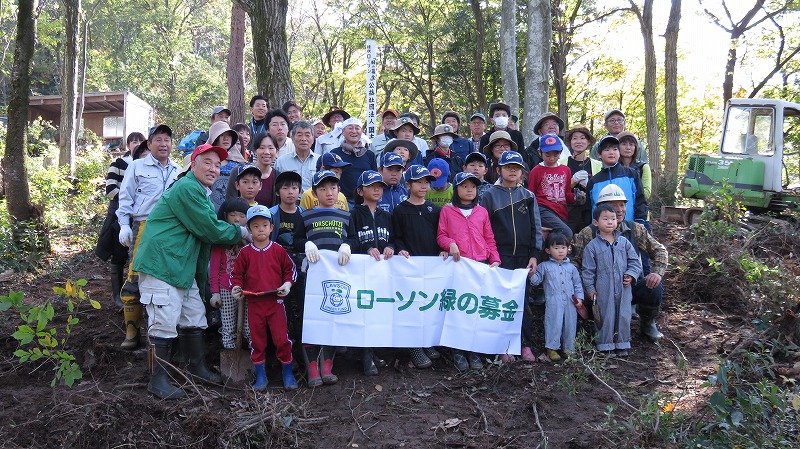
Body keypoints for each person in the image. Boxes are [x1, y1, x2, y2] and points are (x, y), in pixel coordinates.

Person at [133, 143, 252, 399]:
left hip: (182, 268)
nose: (213, 169)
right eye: (207, 162)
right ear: (193, 164)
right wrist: (240, 232)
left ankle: (196, 369)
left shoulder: (201, 193)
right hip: (162, 264)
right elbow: (208, 229)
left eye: (218, 165)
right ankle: (158, 380)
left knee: (195, 317)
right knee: (163, 324)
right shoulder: (187, 188)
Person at [571, 184, 667, 344]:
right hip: (599, 291)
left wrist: (656, 272)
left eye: (622, 205)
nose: (619, 209)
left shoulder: (635, 229)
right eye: (614, 205)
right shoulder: (588, 233)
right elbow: (574, 261)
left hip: (627, 287)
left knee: (654, 287)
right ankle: (590, 324)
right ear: (601, 209)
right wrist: (585, 288)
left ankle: (647, 324)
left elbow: (660, 250)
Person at [116, 125, 181, 350]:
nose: (164, 144)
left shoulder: (178, 170)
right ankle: (132, 332)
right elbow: (125, 198)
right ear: (150, 144)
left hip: (172, 230)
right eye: (159, 139)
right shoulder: (136, 167)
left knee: (166, 278)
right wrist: (124, 225)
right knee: (136, 276)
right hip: (143, 226)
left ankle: (165, 334)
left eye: (167, 140)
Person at [480, 150, 542, 362]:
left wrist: (534, 254)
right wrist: (490, 255)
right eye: (508, 167)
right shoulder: (488, 195)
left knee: (523, 302)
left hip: (524, 256)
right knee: (500, 302)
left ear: (522, 171)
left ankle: (525, 345)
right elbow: (483, 227)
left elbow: (536, 227)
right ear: (499, 170)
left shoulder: (528, 196)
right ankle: (503, 346)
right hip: (500, 256)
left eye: (516, 167)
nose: (513, 171)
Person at [293, 170, 353, 387]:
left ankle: (327, 366)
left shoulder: (347, 215)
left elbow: (354, 238)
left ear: (339, 190)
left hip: (337, 278)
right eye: (323, 188)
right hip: (310, 278)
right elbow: (296, 239)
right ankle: (311, 369)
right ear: (315, 192)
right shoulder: (305, 215)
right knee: (310, 321)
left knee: (332, 318)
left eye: (333, 188)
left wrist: (348, 245)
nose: (329, 192)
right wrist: (306, 243)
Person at [437, 171, 500, 371]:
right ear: (456, 189)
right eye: (465, 186)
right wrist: (450, 243)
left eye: (473, 186)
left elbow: (489, 237)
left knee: (476, 309)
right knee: (459, 309)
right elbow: (441, 235)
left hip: (480, 264)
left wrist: (495, 258)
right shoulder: (447, 211)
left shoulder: (481, 211)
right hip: (459, 266)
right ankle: (458, 351)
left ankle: (474, 351)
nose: (470, 189)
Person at [231, 205, 298, 391]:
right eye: (256, 226)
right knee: (257, 340)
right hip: (254, 303)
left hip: (275, 302)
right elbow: (236, 274)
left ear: (271, 227)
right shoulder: (245, 253)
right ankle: (261, 376)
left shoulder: (278, 250)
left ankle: (287, 372)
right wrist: (236, 287)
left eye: (264, 225)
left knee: (281, 339)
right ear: (249, 230)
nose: (261, 229)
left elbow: (290, 270)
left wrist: (287, 284)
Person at [391, 165, 448, 368]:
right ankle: (414, 346)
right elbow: (396, 237)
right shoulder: (399, 211)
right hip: (410, 269)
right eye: (419, 182)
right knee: (412, 306)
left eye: (426, 182)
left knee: (430, 305)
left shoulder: (435, 209)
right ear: (408, 184)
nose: (424, 186)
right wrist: (400, 250)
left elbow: (441, 236)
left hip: (432, 268)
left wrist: (444, 250)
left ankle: (427, 341)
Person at [346, 170, 396, 376]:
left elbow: (394, 238)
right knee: (364, 312)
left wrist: (391, 246)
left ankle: (373, 351)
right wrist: (365, 250)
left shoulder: (386, 215)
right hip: (362, 271)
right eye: (372, 186)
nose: (377, 189)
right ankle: (365, 355)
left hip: (382, 272)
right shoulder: (354, 214)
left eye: (380, 186)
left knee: (377, 312)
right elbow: (351, 239)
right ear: (360, 190)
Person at [580, 203, 642, 355]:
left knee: (623, 314)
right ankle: (605, 345)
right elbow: (588, 271)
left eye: (613, 219)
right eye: (605, 219)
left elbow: (635, 261)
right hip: (603, 288)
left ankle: (622, 343)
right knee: (605, 316)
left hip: (623, 287)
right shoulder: (592, 246)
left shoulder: (624, 243)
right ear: (596, 223)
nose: (610, 222)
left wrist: (631, 275)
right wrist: (591, 289)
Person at [95, 131, 146, 308]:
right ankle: (117, 296)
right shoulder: (118, 164)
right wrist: (129, 199)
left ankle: (136, 293)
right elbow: (110, 189)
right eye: (133, 141)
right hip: (120, 214)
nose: (136, 144)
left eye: (140, 141)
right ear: (128, 145)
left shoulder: (147, 164)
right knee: (118, 255)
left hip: (141, 215)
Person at [529, 232, 584, 362]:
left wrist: (580, 298)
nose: (560, 251)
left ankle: (569, 348)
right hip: (554, 301)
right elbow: (536, 281)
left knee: (570, 325)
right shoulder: (544, 266)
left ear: (568, 249)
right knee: (554, 323)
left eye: (563, 248)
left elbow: (578, 284)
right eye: (556, 248)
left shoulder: (572, 268)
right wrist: (531, 274)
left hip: (571, 301)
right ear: (548, 250)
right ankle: (552, 348)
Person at [269, 171, 306, 354]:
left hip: (300, 266)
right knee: (281, 308)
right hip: (277, 267)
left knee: (299, 306)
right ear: (277, 192)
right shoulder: (271, 214)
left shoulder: (304, 215)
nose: (290, 192)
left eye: (294, 188)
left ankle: (300, 348)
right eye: (285, 188)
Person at [209, 198, 251, 353]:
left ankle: (255, 361)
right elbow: (213, 269)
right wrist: (215, 292)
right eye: (233, 215)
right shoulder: (221, 241)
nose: (237, 219)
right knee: (228, 327)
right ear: (226, 216)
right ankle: (232, 361)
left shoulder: (252, 240)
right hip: (226, 288)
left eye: (242, 215)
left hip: (248, 289)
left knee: (249, 328)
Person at [585, 135, 647, 223]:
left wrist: (640, 221)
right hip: (602, 230)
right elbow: (589, 207)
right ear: (599, 154)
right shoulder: (594, 181)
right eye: (607, 150)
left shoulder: (631, 174)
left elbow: (640, 200)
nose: (611, 153)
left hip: (629, 227)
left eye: (615, 149)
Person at [527, 134, 577, 239]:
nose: (552, 158)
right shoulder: (536, 171)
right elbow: (531, 194)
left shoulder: (565, 170)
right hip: (543, 209)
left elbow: (567, 192)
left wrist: (576, 197)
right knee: (567, 233)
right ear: (540, 152)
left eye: (556, 154)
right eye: (548, 155)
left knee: (555, 239)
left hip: (561, 210)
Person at [561, 126, 600, 233]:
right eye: (575, 138)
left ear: (588, 142)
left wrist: (589, 187)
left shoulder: (598, 165)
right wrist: (573, 181)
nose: (579, 141)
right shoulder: (561, 163)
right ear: (570, 142)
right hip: (567, 212)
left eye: (582, 138)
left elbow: (600, 190)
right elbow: (556, 190)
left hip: (590, 212)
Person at [328, 118, 377, 204]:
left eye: (357, 128)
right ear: (343, 132)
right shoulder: (334, 154)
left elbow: (375, 178)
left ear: (361, 132)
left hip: (365, 201)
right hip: (341, 201)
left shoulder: (369, 154)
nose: (354, 131)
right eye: (350, 128)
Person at [275, 121, 321, 194]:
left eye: (307, 135)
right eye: (299, 135)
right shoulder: (281, 162)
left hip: (314, 203)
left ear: (313, 139)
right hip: (289, 203)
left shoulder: (320, 161)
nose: (303, 139)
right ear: (292, 138)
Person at [207, 120, 242, 211]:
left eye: (229, 135)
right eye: (222, 135)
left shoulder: (239, 164)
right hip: (208, 210)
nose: (226, 138)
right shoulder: (202, 163)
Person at [617, 131, 652, 200]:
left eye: (631, 144)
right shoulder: (613, 167)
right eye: (624, 144)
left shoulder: (643, 167)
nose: (628, 147)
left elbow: (646, 193)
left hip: (637, 208)